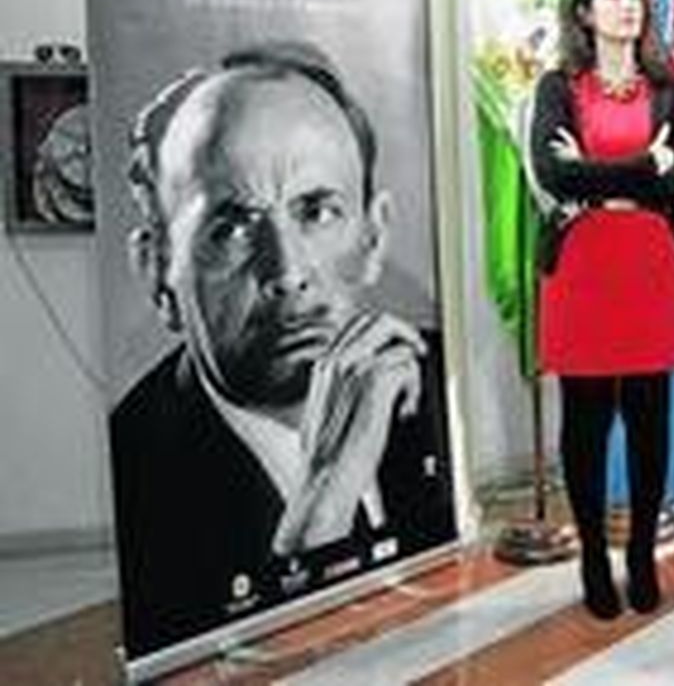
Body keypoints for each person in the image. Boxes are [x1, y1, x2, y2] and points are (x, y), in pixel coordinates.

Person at [110, 42, 455, 659]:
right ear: (159, 271)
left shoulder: (431, 381)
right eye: (232, 227)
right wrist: (321, 502)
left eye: (318, 211)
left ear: (374, 236)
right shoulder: (137, 474)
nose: (288, 271)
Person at [529, 0, 674, 619]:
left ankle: (639, 556)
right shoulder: (558, 86)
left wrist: (597, 171)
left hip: (649, 263)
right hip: (582, 268)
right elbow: (553, 174)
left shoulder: (670, 88)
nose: (626, 5)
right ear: (585, 11)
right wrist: (642, 167)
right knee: (587, 420)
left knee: (648, 418)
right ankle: (595, 558)